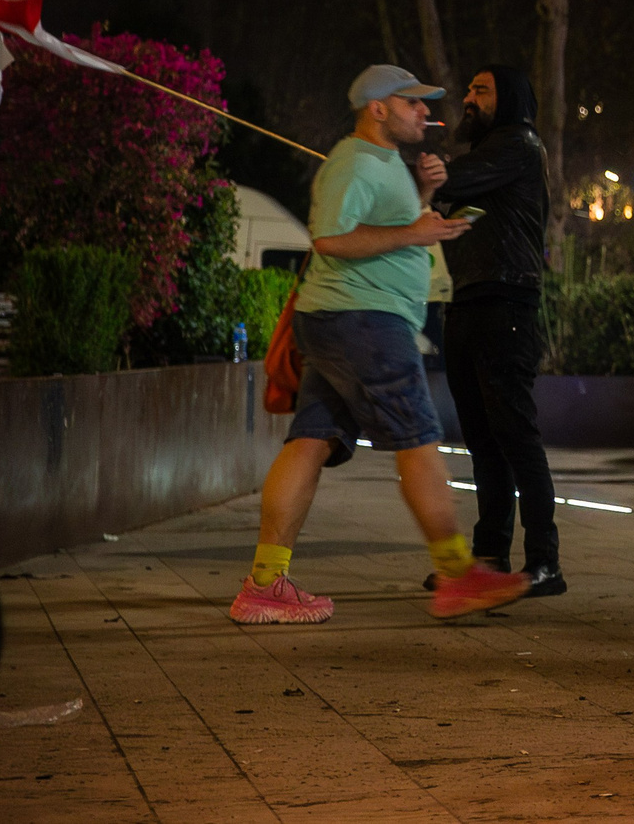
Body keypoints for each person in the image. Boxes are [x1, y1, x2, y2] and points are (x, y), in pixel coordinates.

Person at [227, 65, 531, 625]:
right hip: (364, 321)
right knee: (417, 437)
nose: (426, 113)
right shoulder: (352, 162)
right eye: (414, 103)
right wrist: (416, 233)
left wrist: (426, 193)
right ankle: (457, 573)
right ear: (378, 108)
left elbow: (385, 221)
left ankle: (265, 584)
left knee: (312, 440)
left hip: (344, 320)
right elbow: (330, 238)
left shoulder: (387, 161)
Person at [434, 65, 562, 596]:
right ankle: (490, 553)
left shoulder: (518, 145)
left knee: (515, 437)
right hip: (470, 301)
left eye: (480, 91)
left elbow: (452, 180)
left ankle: (544, 562)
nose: (467, 98)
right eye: (468, 88)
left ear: (507, 99)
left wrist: (423, 169)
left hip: (505, 302)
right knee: (482, 440)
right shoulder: (492, 155)